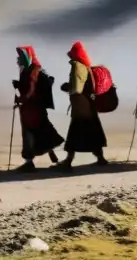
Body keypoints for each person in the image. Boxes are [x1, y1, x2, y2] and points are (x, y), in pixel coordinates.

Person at [57, 41, 108, 169]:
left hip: (81, 106)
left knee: (75, 132)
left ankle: (68, 161)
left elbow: (76, 88)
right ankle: (100, 158)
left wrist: (66, 87)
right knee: (92, 132)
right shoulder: (86, 66)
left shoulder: (77, 66)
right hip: (88, 105)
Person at [13, 45, 64, 171]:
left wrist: (21, 99)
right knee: (43, 130)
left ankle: (29, 163)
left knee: (30, 133)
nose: (18, 60)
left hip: (31, 109)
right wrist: (19, 85)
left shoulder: (32, 72)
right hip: (35, 108)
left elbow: (31, 90)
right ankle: (52, 156)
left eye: (20, 57)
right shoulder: (31, 69)